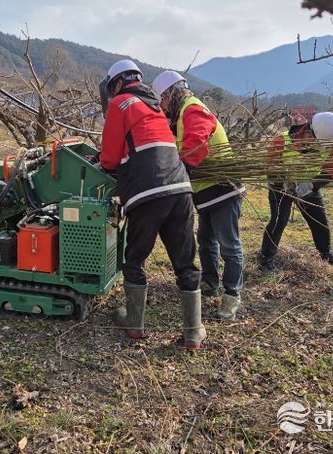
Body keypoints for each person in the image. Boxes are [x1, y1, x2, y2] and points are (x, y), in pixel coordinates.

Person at [99, 60, 206, 350]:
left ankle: (134, 323)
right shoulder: (156, 107)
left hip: (147, 193)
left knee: (135, 259)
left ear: (116, 83)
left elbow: (109, 158)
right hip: (180, 190)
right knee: (185, 262)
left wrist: (109, 164)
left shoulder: (120, 103)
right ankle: (193, 332)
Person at [152, 70, 245, 321]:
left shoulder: (192, 109)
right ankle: (210, 283)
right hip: (206, 194)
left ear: (170, 94)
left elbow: (195, 144)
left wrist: (177, 171)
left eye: (162, 101)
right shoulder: (181, 115)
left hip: (222, 190)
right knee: (206, 241)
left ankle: (232, 295)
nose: (163, 107)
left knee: (229, 245)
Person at [259, 112, 333, 272]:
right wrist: (282, 183)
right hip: (282, 187)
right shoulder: (282, 141)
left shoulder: (332, 141)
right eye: (316, 141)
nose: (319, 145)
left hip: (308, 185)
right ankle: (266, 259)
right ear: (309, 131)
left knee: (319, 220)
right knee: (279, 220)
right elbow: (269, 166)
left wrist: (311, 185)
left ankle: (326, 254)